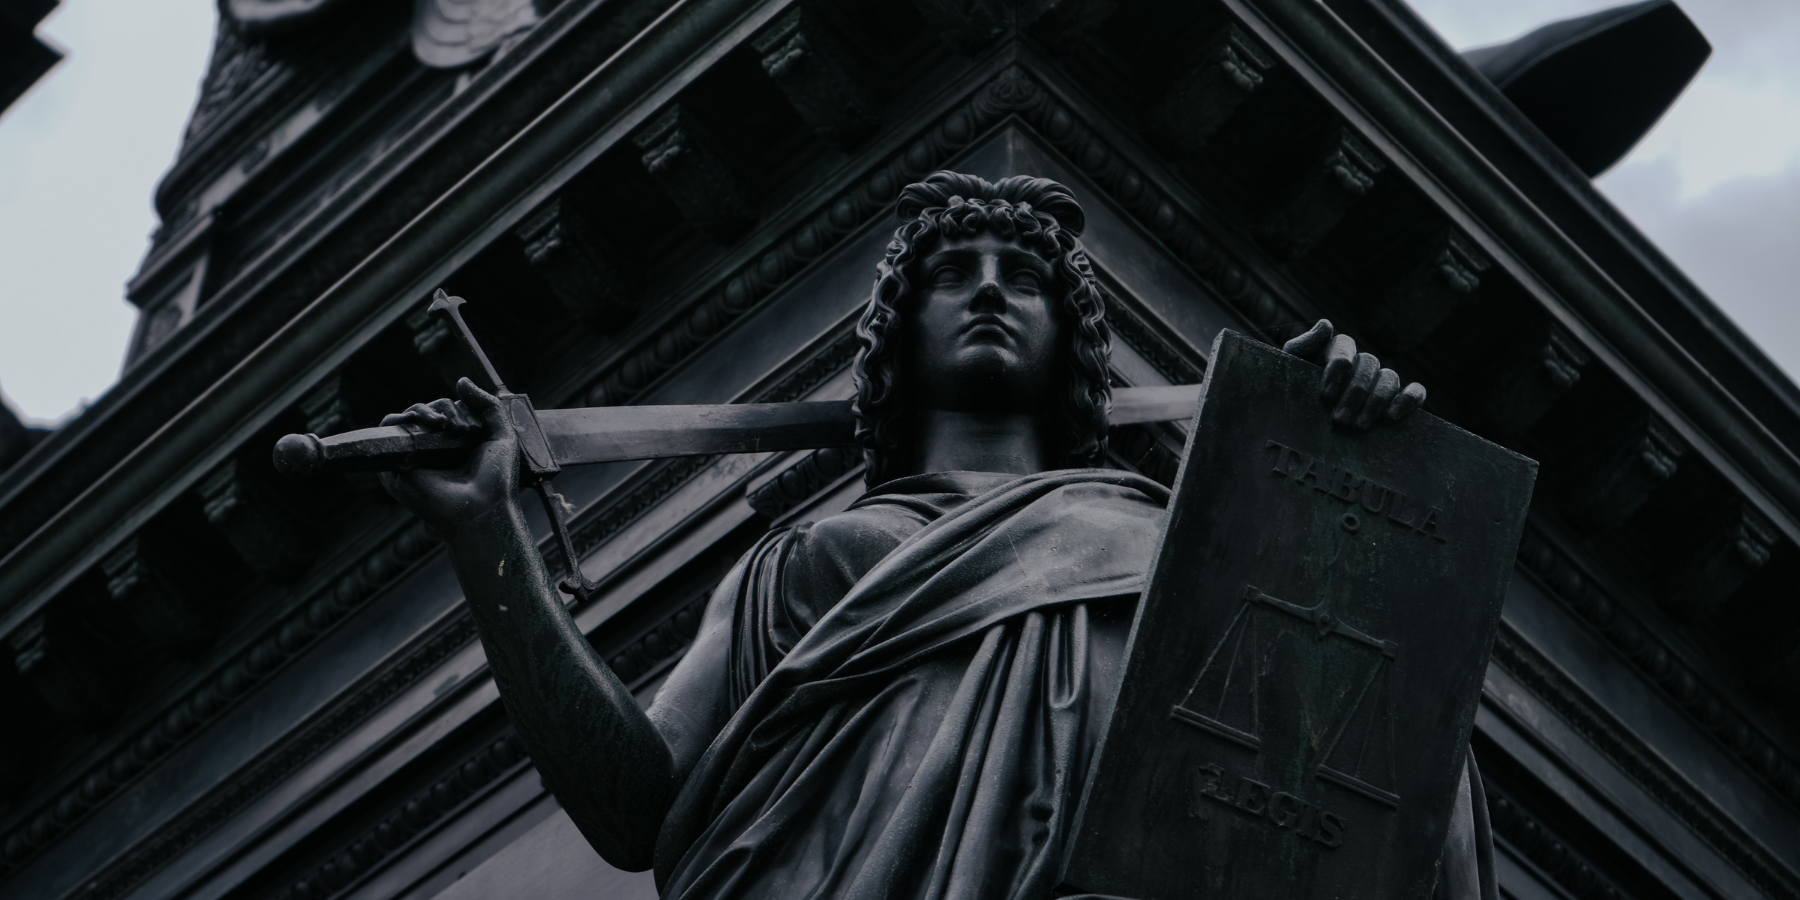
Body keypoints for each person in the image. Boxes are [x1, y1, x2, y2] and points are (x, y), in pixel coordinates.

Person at [379, 171, 1490, 900]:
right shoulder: (790, 568)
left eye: (1025, 280)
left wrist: (1329, 465)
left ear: (1075, 341)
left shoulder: (1185, 538)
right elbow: (634, 805)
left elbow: (1346, 775)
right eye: (954, 276)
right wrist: (488, 536)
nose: (992, 293)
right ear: (899, 337)